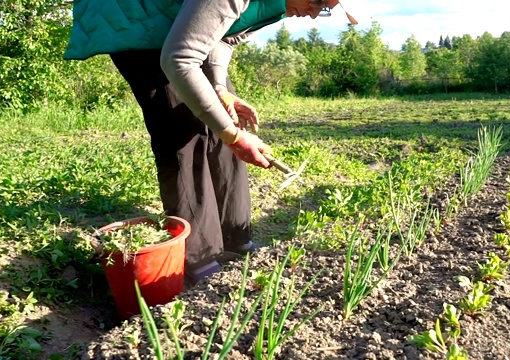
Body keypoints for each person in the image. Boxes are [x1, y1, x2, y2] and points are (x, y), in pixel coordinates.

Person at [64, 0, 356, 283]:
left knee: (223, 115)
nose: (316, 14)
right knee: (182, 130)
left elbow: (223, 39)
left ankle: (235, 240)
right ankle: (199, 256)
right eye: (317, 1)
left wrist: (219, 87)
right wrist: (234, 137)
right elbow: (178, 60)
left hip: (175, 30)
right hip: (137, 17)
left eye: (326, 8)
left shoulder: (276, 7)